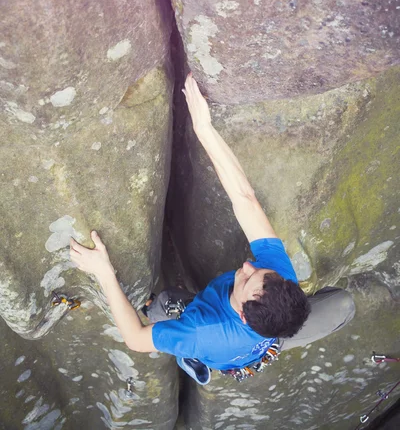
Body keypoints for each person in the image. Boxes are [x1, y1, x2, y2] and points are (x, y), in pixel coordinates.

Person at [70, 73, 355, 384]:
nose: (247, 266)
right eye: (257, 271)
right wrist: (204, 129)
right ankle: (268, 340)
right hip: (268, 336)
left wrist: (104, 273)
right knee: (343, 304)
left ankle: (192, 358)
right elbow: (246, 199)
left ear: (245, 314)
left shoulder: (201, 332)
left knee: (164, 305)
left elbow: (136, 340)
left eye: (247, 279)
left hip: (217, 344)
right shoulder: (276, 279)